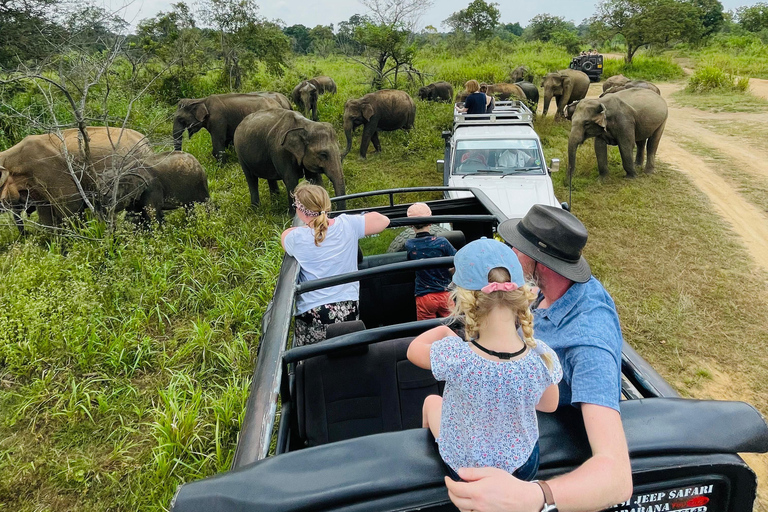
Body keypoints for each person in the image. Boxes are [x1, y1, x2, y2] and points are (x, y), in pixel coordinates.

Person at [444, 205, 633, 512]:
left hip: (527, 445)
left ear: (540, 262)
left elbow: (617, 477)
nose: (507, 255)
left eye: (513, 249)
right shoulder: (547, 288)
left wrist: (533, 496)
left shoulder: (589, 341)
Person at [407, 238, 562, 483]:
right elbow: (549, 405)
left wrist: (443, 332)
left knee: (431, 401)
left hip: (467, 472)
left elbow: (413, 350)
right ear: (520, 296)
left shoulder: (455, 356)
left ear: (464, 302)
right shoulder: (541, 356)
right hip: (521, 468)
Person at [281, 182, 390, 346]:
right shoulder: (347, 224)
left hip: (312, 312)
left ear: (300, 211)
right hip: (348, 309)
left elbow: (285, 236)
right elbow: (383, 220)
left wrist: (300, 228)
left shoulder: (295, 238)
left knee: (312, 364)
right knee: (346, 358)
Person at [403, 203, 456, 320]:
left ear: (411, 225)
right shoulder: (442, 242)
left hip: (424, 296)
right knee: (454, 325)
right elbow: (457, 261)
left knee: (427, 330)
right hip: (445, 294)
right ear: (431, 222)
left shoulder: (410, 245)